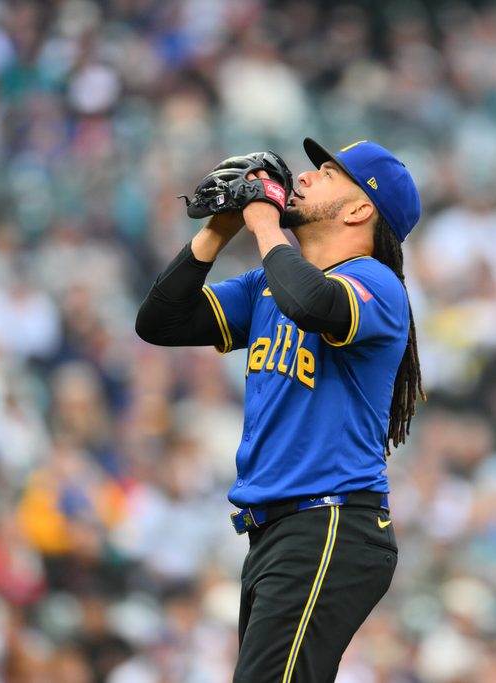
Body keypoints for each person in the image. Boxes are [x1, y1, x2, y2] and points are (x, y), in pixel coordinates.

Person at [136, 138, 424, 681]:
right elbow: (160, 322)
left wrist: (264, 223)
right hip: (279, 532)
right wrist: (221, 227)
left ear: (362, 209)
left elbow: (313, 303)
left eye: (329, 174)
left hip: (330, 521)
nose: (306, 177)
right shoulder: (268, 286)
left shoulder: (377, 284)